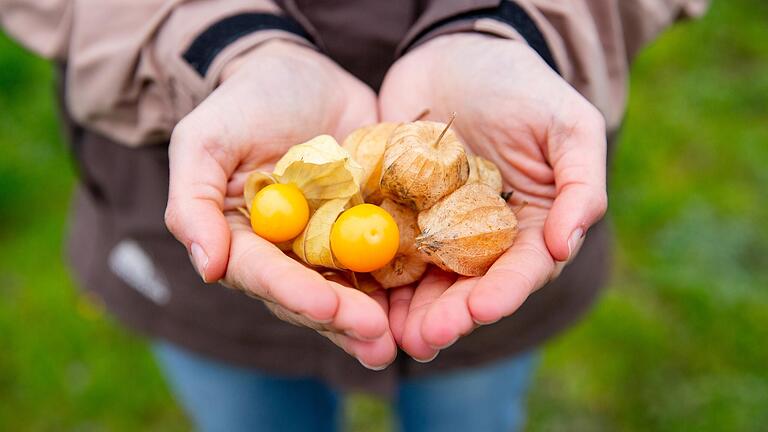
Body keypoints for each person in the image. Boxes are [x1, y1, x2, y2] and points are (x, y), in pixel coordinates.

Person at [1, 1, 708, 431]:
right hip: (176, 253)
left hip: (493, 288)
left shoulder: (446, 213)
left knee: (473, 414)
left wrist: (516, 28)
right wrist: (227, 42)